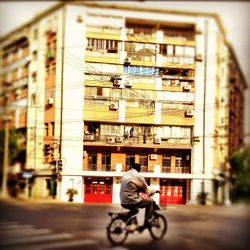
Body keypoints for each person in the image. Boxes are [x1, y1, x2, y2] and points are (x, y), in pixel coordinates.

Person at [120, 163, 157, 230]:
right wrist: (154, 191)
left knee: (135, 210)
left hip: (123, 200)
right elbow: (146, 190)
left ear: (131, 168)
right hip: (131, 200)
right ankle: (147, 222)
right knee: (150, 202)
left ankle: (131, 224)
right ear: (139, 169)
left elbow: (131, 187)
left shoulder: (125, 174)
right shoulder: (138, 176)